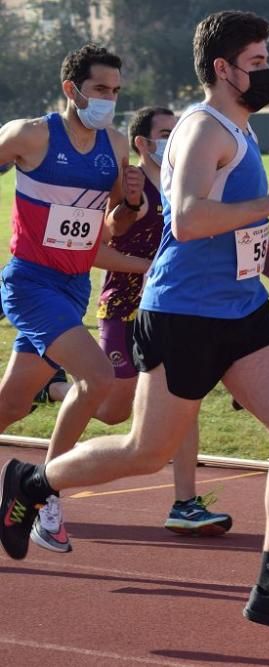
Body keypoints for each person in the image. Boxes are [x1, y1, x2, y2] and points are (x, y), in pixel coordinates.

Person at [0, 10, 269, 637]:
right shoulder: (201, 129)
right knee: (143, 451)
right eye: (259, 63)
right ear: (224, 68)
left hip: (239, 310)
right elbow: (184, 220)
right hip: (183, 315)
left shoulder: (239, 126)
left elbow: (221, 218)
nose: (268, 73)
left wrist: (264, 245)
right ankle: (33, 480)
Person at [40, 107, 234, 536]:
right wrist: (146, 260)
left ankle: (185, 502)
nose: (175, 138)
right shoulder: (130, 186)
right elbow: (92, 249)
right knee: (111, 411)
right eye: (166, 133)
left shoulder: (187, 181)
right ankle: (54, 402)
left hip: (172, 312)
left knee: (185, 403)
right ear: (143, 143)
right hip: (124, 310)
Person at [0, 43, 152, 553]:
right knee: (99, 377)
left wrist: (129, 205)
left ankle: (38, 489)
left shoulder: (113, 146)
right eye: (100, 90)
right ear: (72, 89)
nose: (109, 98)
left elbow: (101, 236)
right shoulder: (31, 134)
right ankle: (43, 495)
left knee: (13, 405)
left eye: (115, 91)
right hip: (29, 283)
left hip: (72, 288)